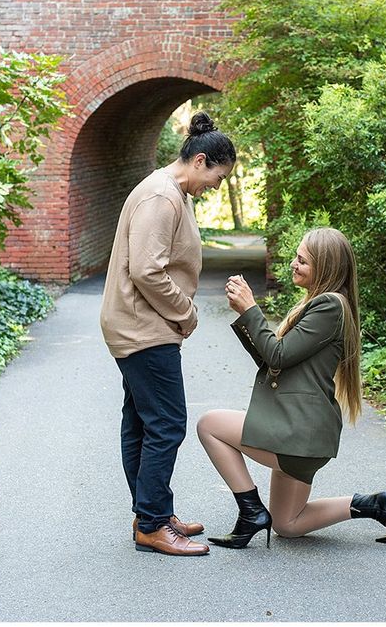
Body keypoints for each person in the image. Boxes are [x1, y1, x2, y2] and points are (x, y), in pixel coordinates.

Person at [197, 227, 386, 548]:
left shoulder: (329, 305)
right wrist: (246, 317)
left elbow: (278, 354)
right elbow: (274, 360)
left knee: (209, 425)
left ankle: (250, 511)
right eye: (295, 257)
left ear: (325, 268)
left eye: (303, 261)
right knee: (288, 524)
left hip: (298, 432)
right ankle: (375, 504)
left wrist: (251, 310)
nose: (293, 264)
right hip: (306, 435)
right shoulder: (322, 305)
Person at [100, 112, 236, 556]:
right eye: (217, 177)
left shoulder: (169, 192)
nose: (215, 186)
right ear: (200, 161)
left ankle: (152, 511)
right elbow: (146, 269)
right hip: (145, 328)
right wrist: (186, 312)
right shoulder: (162, 197)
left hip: (139, 324)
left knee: (142, 421)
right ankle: (153, 524)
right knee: (166, 424)